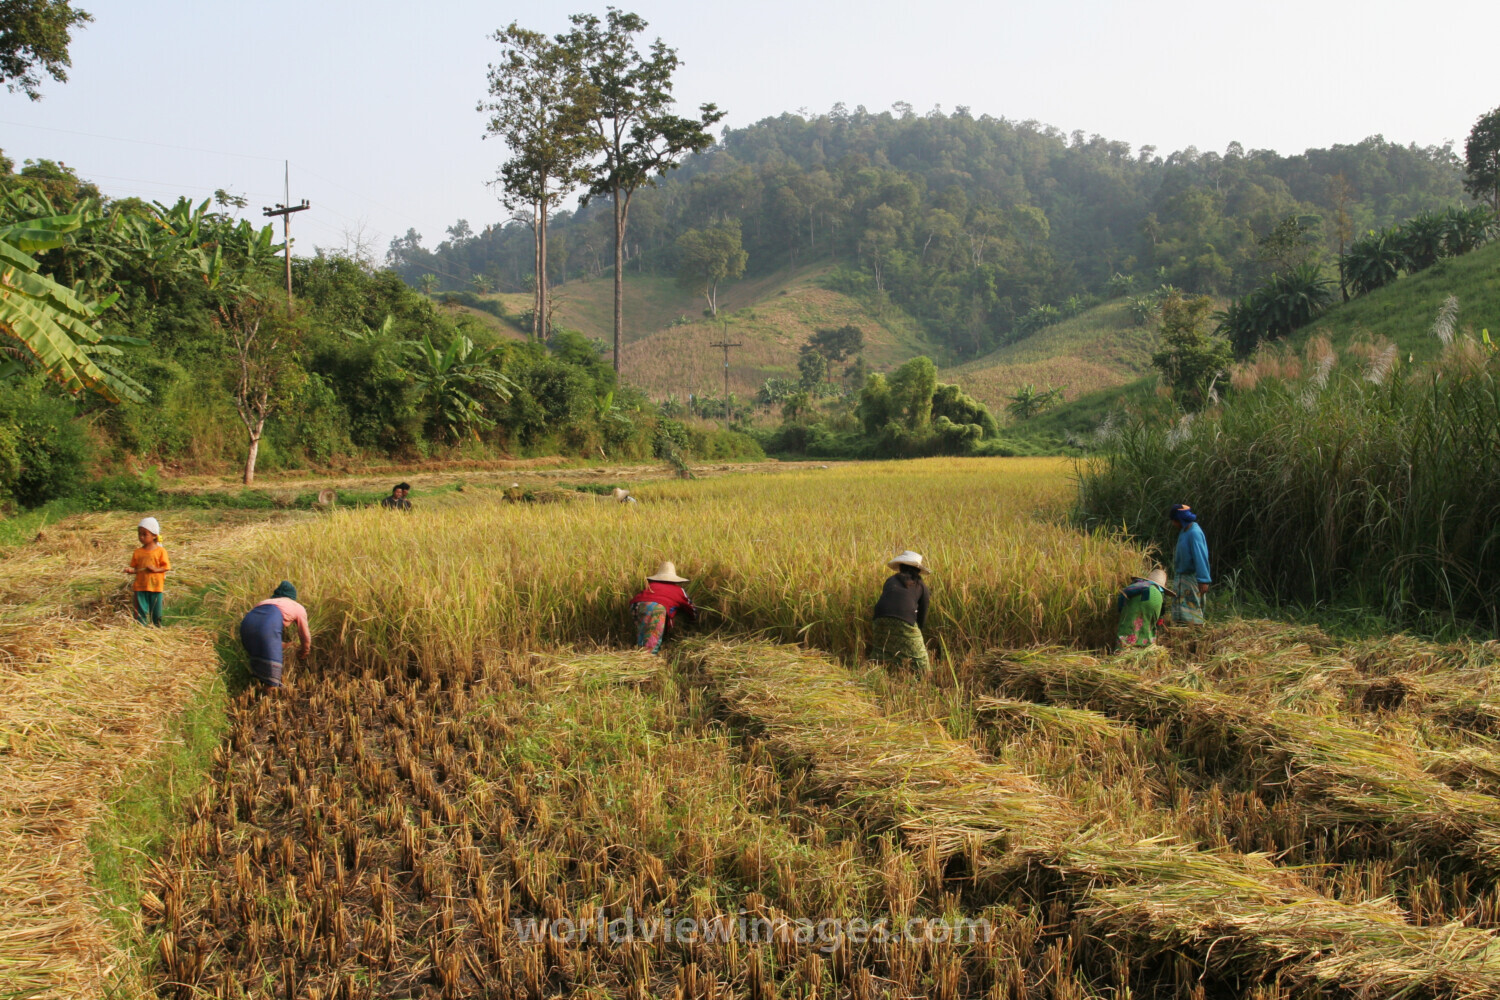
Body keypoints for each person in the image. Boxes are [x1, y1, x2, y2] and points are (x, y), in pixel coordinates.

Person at [239, 580, 312, 688]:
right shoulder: (297, 607)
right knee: (272, 679)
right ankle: (270, 696)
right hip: (267, 627)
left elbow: (262, 632)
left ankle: (255, 688)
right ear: (292, 597)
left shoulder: (264, 602)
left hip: (246, 626)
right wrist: (304, 651)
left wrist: (285, 645)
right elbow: (304, 635)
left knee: (258, 659)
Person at [870, 551, 930, 672]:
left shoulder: (890, 580)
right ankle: (924, 678)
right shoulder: (921, 586)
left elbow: (887, 599)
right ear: (918, 570)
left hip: (879, 618)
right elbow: (923, 612)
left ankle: (880, 672)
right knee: (921, 661)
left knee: (883, 649)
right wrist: (917, 630)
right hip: (904, 619)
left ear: (901, 567)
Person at [629, 561, 697, 654]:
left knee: (643, 632)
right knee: (653, 637)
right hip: (656, 608)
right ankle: (649, 658)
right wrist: (694, 619)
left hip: (635, 606)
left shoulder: (650, 586)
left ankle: (640, 653)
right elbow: (690, 607)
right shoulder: (679, 590)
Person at [1168, 504, 1212, 624]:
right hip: (1181, 577)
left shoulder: (1194, 533)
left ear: (1179, 520)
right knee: (1180, 614)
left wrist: (1203, 580)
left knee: (1192, 612)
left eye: (1174, 521)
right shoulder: (1184, 531)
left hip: (1191, 577)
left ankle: (1194, 634)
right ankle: (1181, 634)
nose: (1173, 524)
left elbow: (1200, 557)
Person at [123, 516, 171, 626]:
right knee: (140, 612)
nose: (141, 537)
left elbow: (166, 567)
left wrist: (156, 569)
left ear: (154, 535)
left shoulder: (160, 551)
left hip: (156, 587)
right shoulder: (138, 552)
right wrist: (131, 571)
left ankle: (157, 628)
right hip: (140, 586)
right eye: (139, 534)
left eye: (145, 534)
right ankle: (141, 630)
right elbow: (138, 569)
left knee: (156, 612)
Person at [1116, 568, 1174, 647]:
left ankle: (1123, 649)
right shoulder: (1160, 592)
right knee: (1148, 624)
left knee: (1128, 623)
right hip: (1157, 598)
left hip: (1137, 595)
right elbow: (1158, 618)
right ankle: (1145, 648)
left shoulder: (1137, 585)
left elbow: (1122, 600)